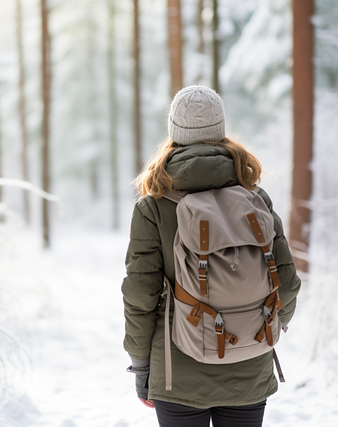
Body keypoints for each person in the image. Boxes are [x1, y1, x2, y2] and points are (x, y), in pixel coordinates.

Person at [122, 85, 301, 427]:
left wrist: (142, 367)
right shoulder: (255, 198)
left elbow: (140, 297)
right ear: (220, 131)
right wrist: (264, 326)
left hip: (177, 374)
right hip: (250, 366)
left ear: (174, 132)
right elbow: (287, 283)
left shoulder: (153, 206)